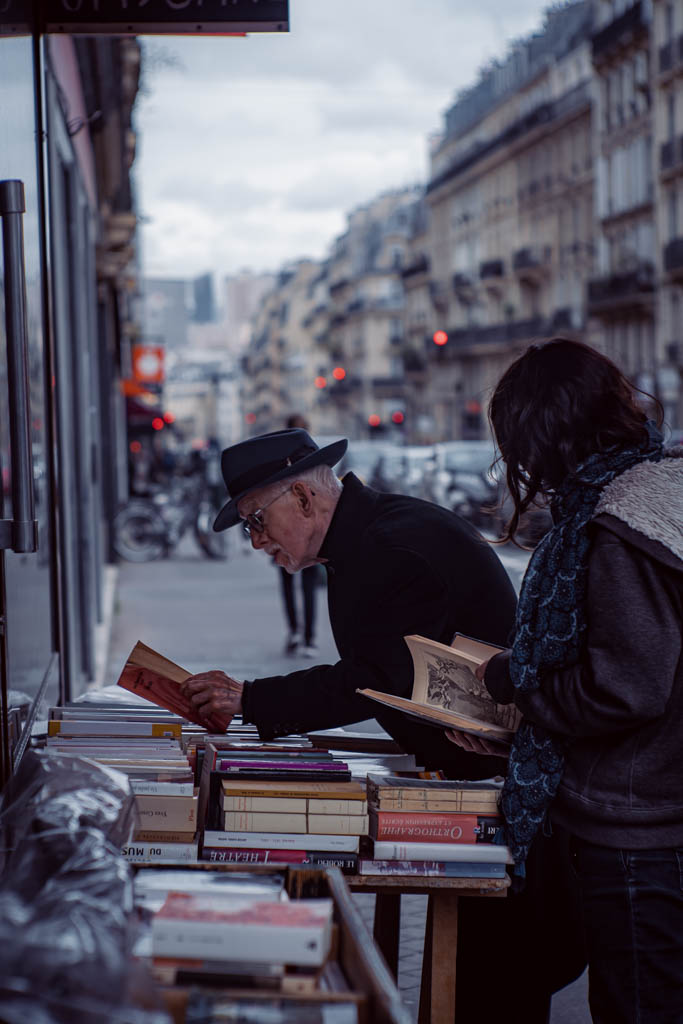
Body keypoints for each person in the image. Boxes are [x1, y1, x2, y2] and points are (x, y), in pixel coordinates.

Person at [180, 425, 585, 1021]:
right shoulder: (363, 541)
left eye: (255, 522)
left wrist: (250, 698)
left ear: (302, 497)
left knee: (496, 987)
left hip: (509, 796)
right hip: (475, 782)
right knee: (477, 981)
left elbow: (377, 678)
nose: (255, 542)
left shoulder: (391, 547)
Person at [447, 337, 683, 1024]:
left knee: (640, 1005)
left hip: (635, 827)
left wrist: (518, 689)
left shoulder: (617, 525)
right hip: (650, 810)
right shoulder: (654, 488)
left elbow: (626, 688)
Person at [279, 414, 320, 656]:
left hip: (286, 531)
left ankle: (297, 631)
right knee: (307, 586)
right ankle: (307, 637)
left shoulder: (280, 460)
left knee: (291, 584)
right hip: (305, 532)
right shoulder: (315, 459)